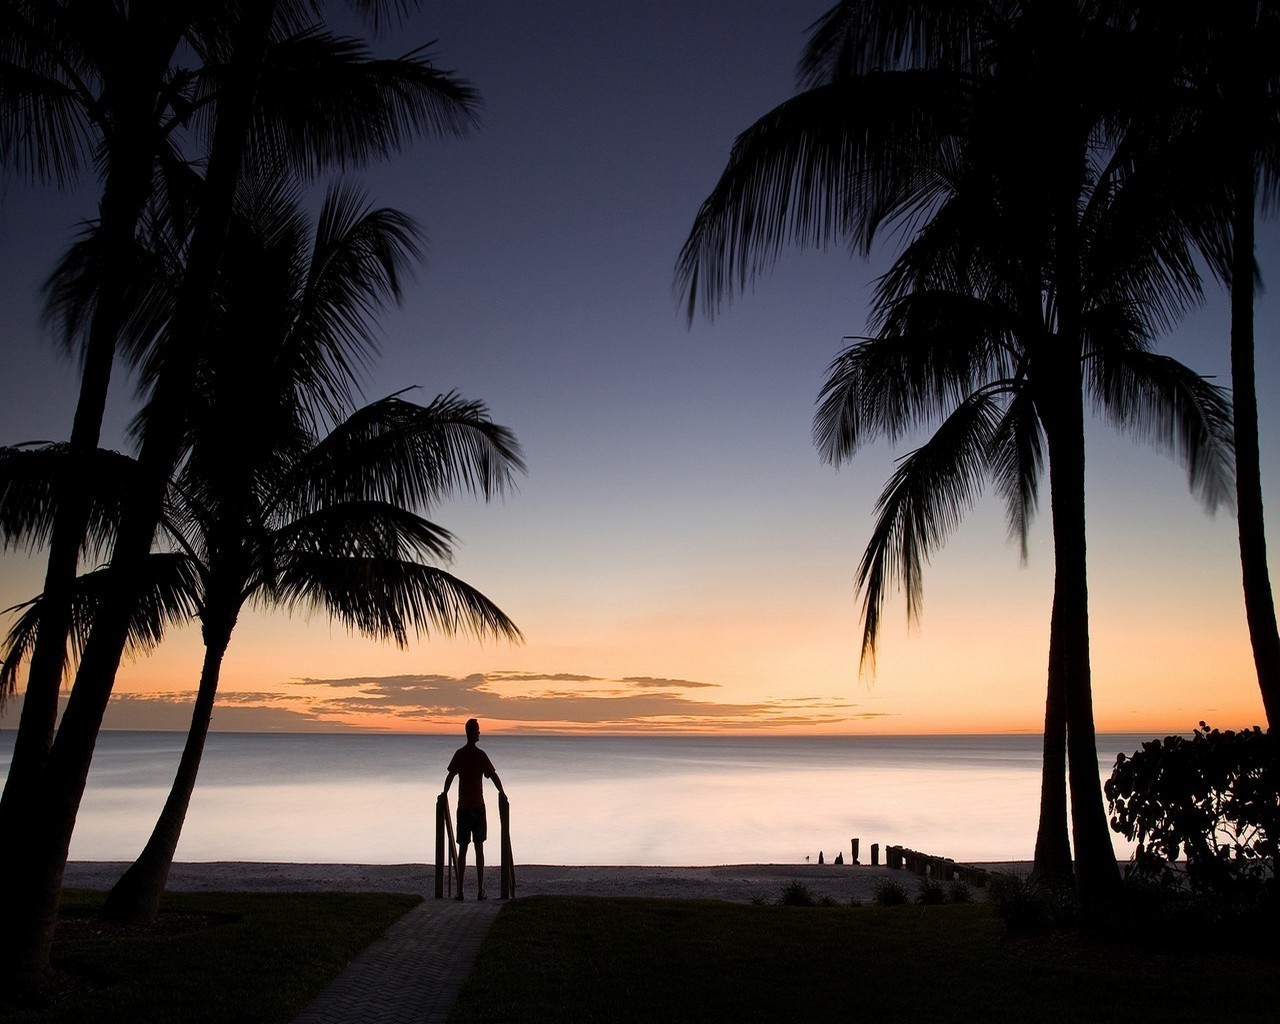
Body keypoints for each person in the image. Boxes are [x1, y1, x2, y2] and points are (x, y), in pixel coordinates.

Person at [442, 718, 504, 900]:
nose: (479, 732)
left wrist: (444, 792)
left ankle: (461, 891)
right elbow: (492, 776)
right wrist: (502, 792)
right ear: (472, 733)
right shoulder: (479, 755)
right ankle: (479, 890)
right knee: (478, 848)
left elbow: (450, 777)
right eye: (477, 730)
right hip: (476, 807)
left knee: (463, 850)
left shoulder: (460, 754)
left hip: (464, 807)